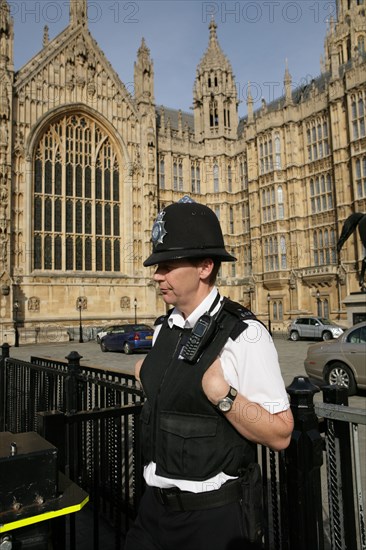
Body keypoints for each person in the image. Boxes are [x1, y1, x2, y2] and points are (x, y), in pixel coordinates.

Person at [124, 198, 294, 550]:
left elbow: (281, 433)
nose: (157, 275)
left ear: (204, 267)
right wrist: (147, 374)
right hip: (152, 512)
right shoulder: (162, 329)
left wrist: (224, 395)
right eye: (157, 265)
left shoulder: (244, 334)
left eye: (168, 265)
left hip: (212, 520)